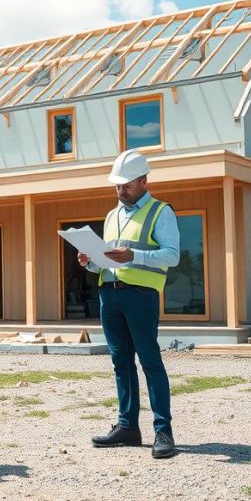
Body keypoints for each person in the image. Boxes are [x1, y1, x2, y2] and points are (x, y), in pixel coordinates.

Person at [77, 149, 180, 459]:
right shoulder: (112, 216)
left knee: (150, 361)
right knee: (120, 362)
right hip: (110, 294)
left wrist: (135, 255)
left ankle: (163, 430)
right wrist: (89, 262)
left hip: (141, 295)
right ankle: (128, 428)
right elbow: (107, 262)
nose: (121, 191)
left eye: (127, 185)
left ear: (144, 180)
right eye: (117, 186)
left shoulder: (161, 212)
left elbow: (172, 255)